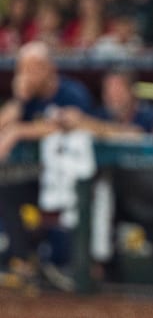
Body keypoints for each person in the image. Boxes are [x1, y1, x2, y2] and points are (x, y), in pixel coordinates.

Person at [56, 69, 153, 286]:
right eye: (108, 90)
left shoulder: (149, 114)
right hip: (123, 199)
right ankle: (101, 279)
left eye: (118, 90)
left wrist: (89, 124)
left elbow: (134, 135)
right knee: (98, 218)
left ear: (131, 92)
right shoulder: (103, 114)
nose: (112, 96)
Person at [0, 40, 94, 288]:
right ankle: (22, 260)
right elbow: (3, 125)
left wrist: (20, 131)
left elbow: (68, 123)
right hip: (44, 179)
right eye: (21, 70)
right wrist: (19, 100)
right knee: (7, 193)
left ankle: (83, 269)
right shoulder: (29, 98)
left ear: (48, 68)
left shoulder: (72, 91)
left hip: (79, 181)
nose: (25, 76)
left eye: (30, 69)